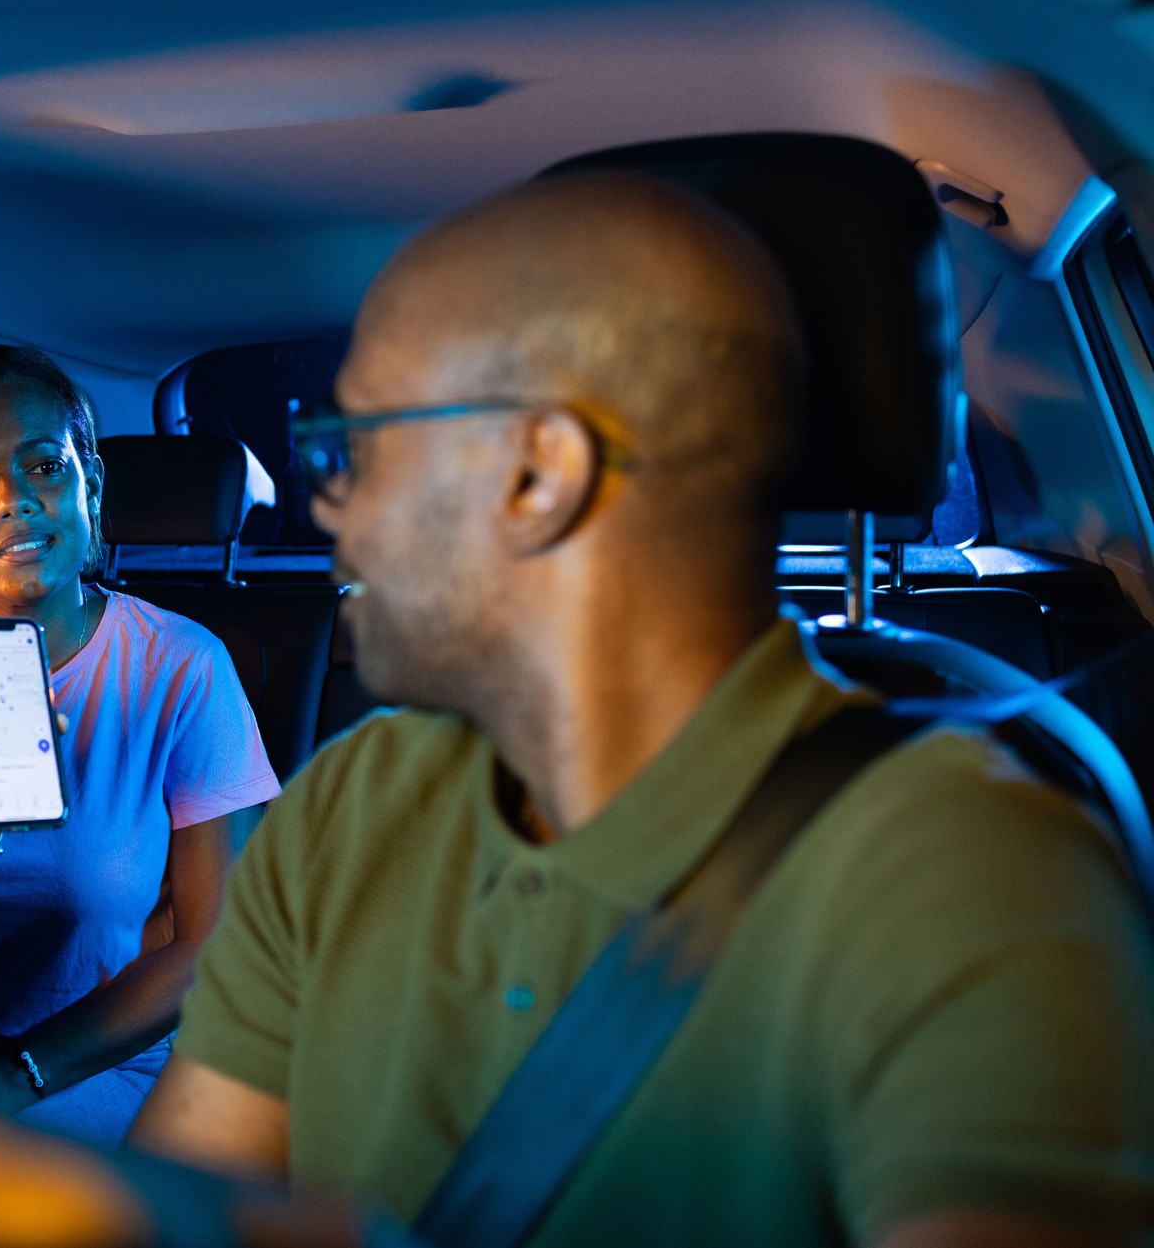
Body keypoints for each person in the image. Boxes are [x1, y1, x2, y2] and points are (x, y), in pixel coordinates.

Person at [129, 172, 1154, 1246]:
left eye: (358, 451)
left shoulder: (961, 874)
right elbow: (182, 1206)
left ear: (539, 474)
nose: (332, 509)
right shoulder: (349, 803)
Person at [0, 345, 280, 1147]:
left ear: (92, 484)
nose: (13, 502)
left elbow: (215, 949)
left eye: (45, 466)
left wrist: (13, 1079)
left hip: (104, 1051)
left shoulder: (182, 666)